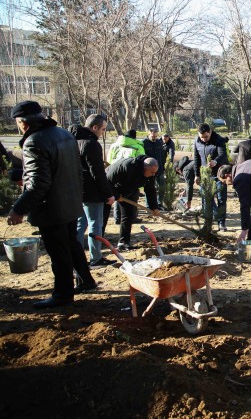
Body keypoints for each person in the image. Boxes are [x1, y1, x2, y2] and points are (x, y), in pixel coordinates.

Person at [6, 100, 96, 308]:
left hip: (52, 208)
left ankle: (62, 295)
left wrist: (19, 209)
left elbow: (39, 184)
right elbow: (64, 169)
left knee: (59, 252)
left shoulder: (33, 142)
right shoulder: (64, 134)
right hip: (71, 202)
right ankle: (86, 280)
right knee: (72, 244)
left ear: (23, 123)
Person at [73, 114, 116, 268]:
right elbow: (97, 172)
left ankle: (75, 257)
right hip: (92, 192)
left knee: (80, 224)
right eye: (103, 129)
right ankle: (96, 258)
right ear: (95, 127)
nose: (103, 132)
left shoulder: (75, 141)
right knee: (95, 225)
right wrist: (108, 194)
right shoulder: (91, 144)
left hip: (78, 190)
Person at [104, 155, 160, 251]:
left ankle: (123, 242)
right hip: (109, 187)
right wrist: (116, 195)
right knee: (103, 215)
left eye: (155, 172)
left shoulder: (150, 174)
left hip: (130, 189)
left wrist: (154, 207)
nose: (153, 175)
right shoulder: (127, 166)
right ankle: (98, 241)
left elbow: (150, 189)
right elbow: (106, 181)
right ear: (144, 168)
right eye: (151, 172)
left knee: (129, 215)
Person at [193, 123, 229, 231]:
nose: (204, 139)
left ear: (211, 132)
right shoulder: (197, 141)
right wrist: (197, 175)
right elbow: (196, 159)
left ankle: (221, 223)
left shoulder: (219, 140)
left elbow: (223, 155)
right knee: (205, 200)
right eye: (201, 137)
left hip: (219, 175)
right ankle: (207, 223)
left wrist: (216, 161)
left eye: (206, 137)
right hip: (205, 176)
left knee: (221, 199)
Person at [143, 128, 165, 209]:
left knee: (162, 187)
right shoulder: (144, 143)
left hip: (159, 169)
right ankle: (149, 206)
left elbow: (162, 155)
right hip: (149, 170)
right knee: (149, 188)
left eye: (156, 136)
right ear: (149, 134)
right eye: (153, 136)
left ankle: (159, 204)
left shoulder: (159, 142)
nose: (154, 138)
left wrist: (163, 167)